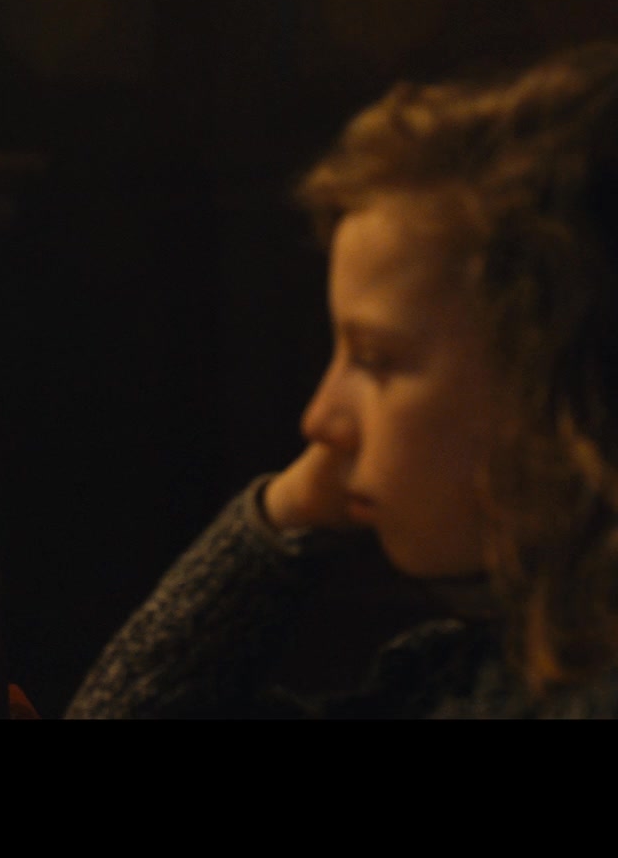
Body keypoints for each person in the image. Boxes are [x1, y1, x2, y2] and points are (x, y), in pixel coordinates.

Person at [67, 41, 618, 718]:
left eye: (376, 359)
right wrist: (287, 513)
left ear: (557, 382)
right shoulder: (480, 668)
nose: (320, 420)